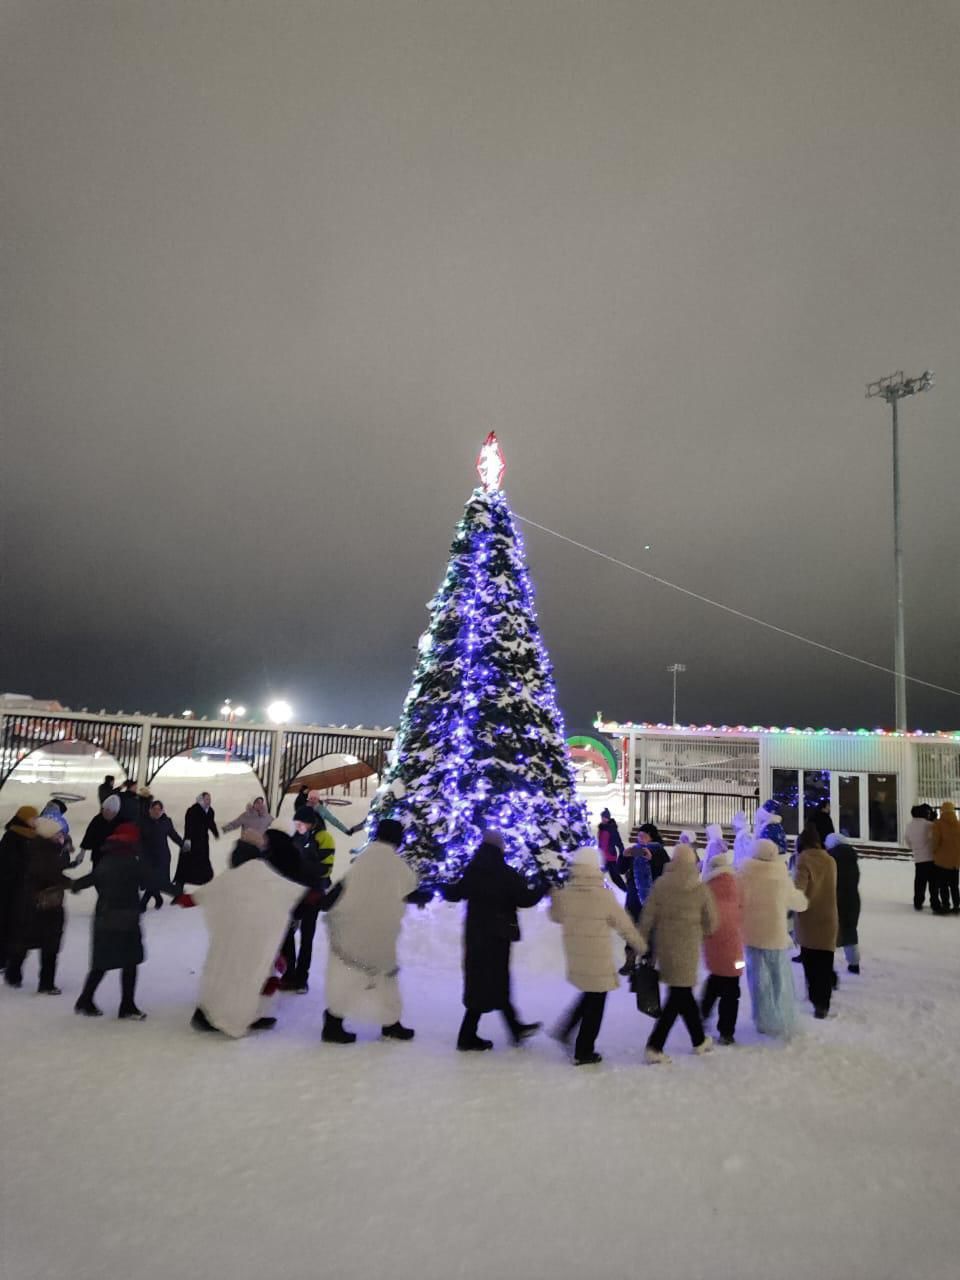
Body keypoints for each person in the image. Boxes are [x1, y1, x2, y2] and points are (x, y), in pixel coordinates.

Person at [177, 834, 309, 1037]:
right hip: (253, 937)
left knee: (223, 972)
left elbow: (205, 894)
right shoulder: (262, 873)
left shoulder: (234, 876)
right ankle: (238, 1015)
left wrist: (186, 898)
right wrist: (312, 893)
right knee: (250, 976)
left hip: (231, 936)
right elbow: (288, 890)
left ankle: (211, 1014)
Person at [442, 830, 545, 1051]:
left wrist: (441, 884)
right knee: (495, 981)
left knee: (482, 981)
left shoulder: (473, 870)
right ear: (499, 848)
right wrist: (543, 885)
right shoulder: (505, 873)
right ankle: (468, 1036)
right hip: (498, 936)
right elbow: (525, 899)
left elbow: (455, 893)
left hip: (476, 935)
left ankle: (514, 1028)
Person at [322, 817, 422, 1044]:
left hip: (349, 930)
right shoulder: (394, 863)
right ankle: (391, 1025)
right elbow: (410, 890)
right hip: (378, 935)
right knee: (385, 979)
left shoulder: (363, 859)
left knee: (346, 977)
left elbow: (338, 891)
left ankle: (333, 1023)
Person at [548, 847, 645, 1066]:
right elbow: (625, 925)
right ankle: (584, 1051)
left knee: (589, 994)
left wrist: (554, 895)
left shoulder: (567, 893)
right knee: (596, 1002)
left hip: (577, 956)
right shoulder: (604, 895)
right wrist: (641, 946)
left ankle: (565, 1030)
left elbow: (555, 916)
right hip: (597, 958)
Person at [641, 844, 718, 1063]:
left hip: (666, 947)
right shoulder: (700, 887)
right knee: (679, 994)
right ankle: (655, 1046)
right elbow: (712, 923)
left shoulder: (661, 884)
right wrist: (699, 932)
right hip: (689, 947)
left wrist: (640, 942)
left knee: (681, 993)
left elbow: (647, 916)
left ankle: (699, 1039)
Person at [71, 823, 150, 1019]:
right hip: (126, 919)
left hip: (104, 918)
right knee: (130, 961)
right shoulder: (132, 862)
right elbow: (153, 880)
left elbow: (92, 877)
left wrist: (76, 884)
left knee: (102, 962)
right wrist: (180, 895)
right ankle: (127, 1006)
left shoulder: (107, 859)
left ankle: (85, 999)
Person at [739, 837, 809, 1038]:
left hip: (752, 935)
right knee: (779, 979)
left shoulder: (744, 874)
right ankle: (781, 1016)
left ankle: (762, 1019)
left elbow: (736, 901)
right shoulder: (781, 877)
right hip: (775, 936)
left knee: (758, 980)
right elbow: (798, 902)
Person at [4, 815, 71, 994]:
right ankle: (46, 984)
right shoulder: (45, 852)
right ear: (49, 835)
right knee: (49, 945)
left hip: (34, 905)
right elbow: (52, 873)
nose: (61, 837)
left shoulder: (41, 847)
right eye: (58, 834)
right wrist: (70, 883)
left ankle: (13, 974)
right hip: (45, 907)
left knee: (26, 941)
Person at [279, 807, 336, 993]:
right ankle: (289, 973)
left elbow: (325, 868)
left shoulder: (324, 838)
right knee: (286, 934)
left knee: (307, 937)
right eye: (296, 824)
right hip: (294, 894)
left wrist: (301, 867)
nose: (298, 827)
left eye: (301, 824)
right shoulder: (295, 837)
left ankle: (301, 978)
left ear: (311, 823)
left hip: (313, 894)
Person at [699, 844, 745, 1045]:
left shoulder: (706, 889)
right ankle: (727, 1032)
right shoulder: (737, 885)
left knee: (715, 978)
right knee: (732, 989)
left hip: (713, 946)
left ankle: (702, 1014)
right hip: (736, 949)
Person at [793, 826, 839, 1019]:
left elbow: (799, 889)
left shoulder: (803, 859)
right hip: (829, 917)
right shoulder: (830, 860)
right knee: (825, 964)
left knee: (810, 964)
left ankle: (815, 1000)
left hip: (809, 919)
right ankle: (824, 1004)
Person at [0, 806, 40, 969]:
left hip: (22, 890)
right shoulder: (12, 836)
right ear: (24, 819)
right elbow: (8, 864)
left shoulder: (30, 836)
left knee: (17, 925)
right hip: (9, 889)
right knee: (7, 923)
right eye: (33, 818)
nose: (35, 821)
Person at [138, 799, 185, 911]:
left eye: (159, 809)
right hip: (147, 857)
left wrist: (183, 845)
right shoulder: (143, 822)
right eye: (154, 809)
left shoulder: (166, 822)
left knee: (158, 881)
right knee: (151, 880)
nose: (156, 812)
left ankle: (144, 903)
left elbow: (174, 835)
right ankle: (160, 897)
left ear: (162, 811)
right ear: (150, 810)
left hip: (162, 857)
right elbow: (137, 838)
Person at [826, 833, 861, 974]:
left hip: (836, 899)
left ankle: (828, 965)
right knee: (850, 931)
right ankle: (854, 963)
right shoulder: (852, 857)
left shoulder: (831, 858)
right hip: (852, 899)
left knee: (830, 933)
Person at [175, 792, 219, 892]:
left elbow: (211, 823)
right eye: (207, 799)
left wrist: (216, 833)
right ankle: (177, 892)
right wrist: (187, 841)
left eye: (210, 799)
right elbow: (188, 826)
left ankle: (207, 890)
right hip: (191, 843)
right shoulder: (192, 810)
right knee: (184, 867)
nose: (209, 801)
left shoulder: (210, 811)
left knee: (205, 868)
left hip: (203, 843)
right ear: (201, 800)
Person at [905, 804, 937, 910]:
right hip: (930, 857)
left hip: (918, 858)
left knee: (919, 881)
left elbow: (908, 841)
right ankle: (934, 902)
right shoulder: (928, 825)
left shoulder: (909, 825)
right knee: (933, 882)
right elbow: (934, 838)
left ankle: (918, 902)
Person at [931, 801, 960, 914]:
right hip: (955, 862)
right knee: (954, 885)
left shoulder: (938, 824)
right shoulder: (958, 824)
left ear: (942, 811)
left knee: (943, 885)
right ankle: (957, 905)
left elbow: (935, 841)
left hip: (942, 861)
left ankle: (946, 905)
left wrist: (934, 851)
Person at [79, 794, 120, 868]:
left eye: (109, 813)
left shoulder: (120, 823)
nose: (106, 814)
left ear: (115, 813)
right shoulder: (97, 819)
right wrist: (82, 853)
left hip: (113, 857)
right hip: (98, 855)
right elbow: (89, 835)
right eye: (104, 811)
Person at [597, 809, 626, 890]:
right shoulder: (601, 828)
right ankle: (601, 890)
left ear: (609, 818)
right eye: (602, 817)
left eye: (605, 817)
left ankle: (626, 891)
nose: (603, 819)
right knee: (598, 874)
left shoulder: (612, 828)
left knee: (615, 877)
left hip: (610, 857)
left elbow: (618, 841)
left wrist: (622, 851)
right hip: (602, 856)